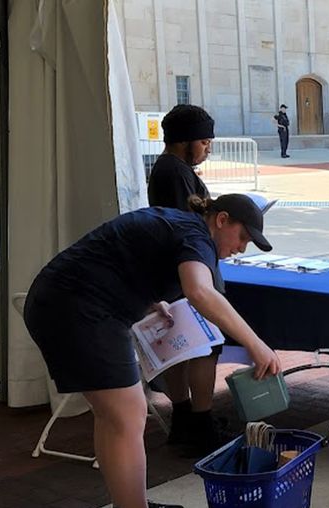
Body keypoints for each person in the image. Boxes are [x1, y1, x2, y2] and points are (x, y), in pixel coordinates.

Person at [23, 193, 282, 508]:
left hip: (62, 302)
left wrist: (149, 300)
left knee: (113, 418)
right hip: (79, 310)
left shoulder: (181, 225)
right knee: (129, 416)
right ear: (221, 220)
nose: (242, 248)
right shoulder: (197, 236)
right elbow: (199, 291)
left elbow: (125, 258)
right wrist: (255, 344)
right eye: (243, 237)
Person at [145, 104, 225, 452]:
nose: (207, 150)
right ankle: (199, 422)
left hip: (170, 271)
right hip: (185, 272)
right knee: (204, 348)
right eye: (204, 142)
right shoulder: (174, 171)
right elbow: (188, 223)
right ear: (184, 141)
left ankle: (184, 419)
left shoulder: (169, 168)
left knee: (182, 346)